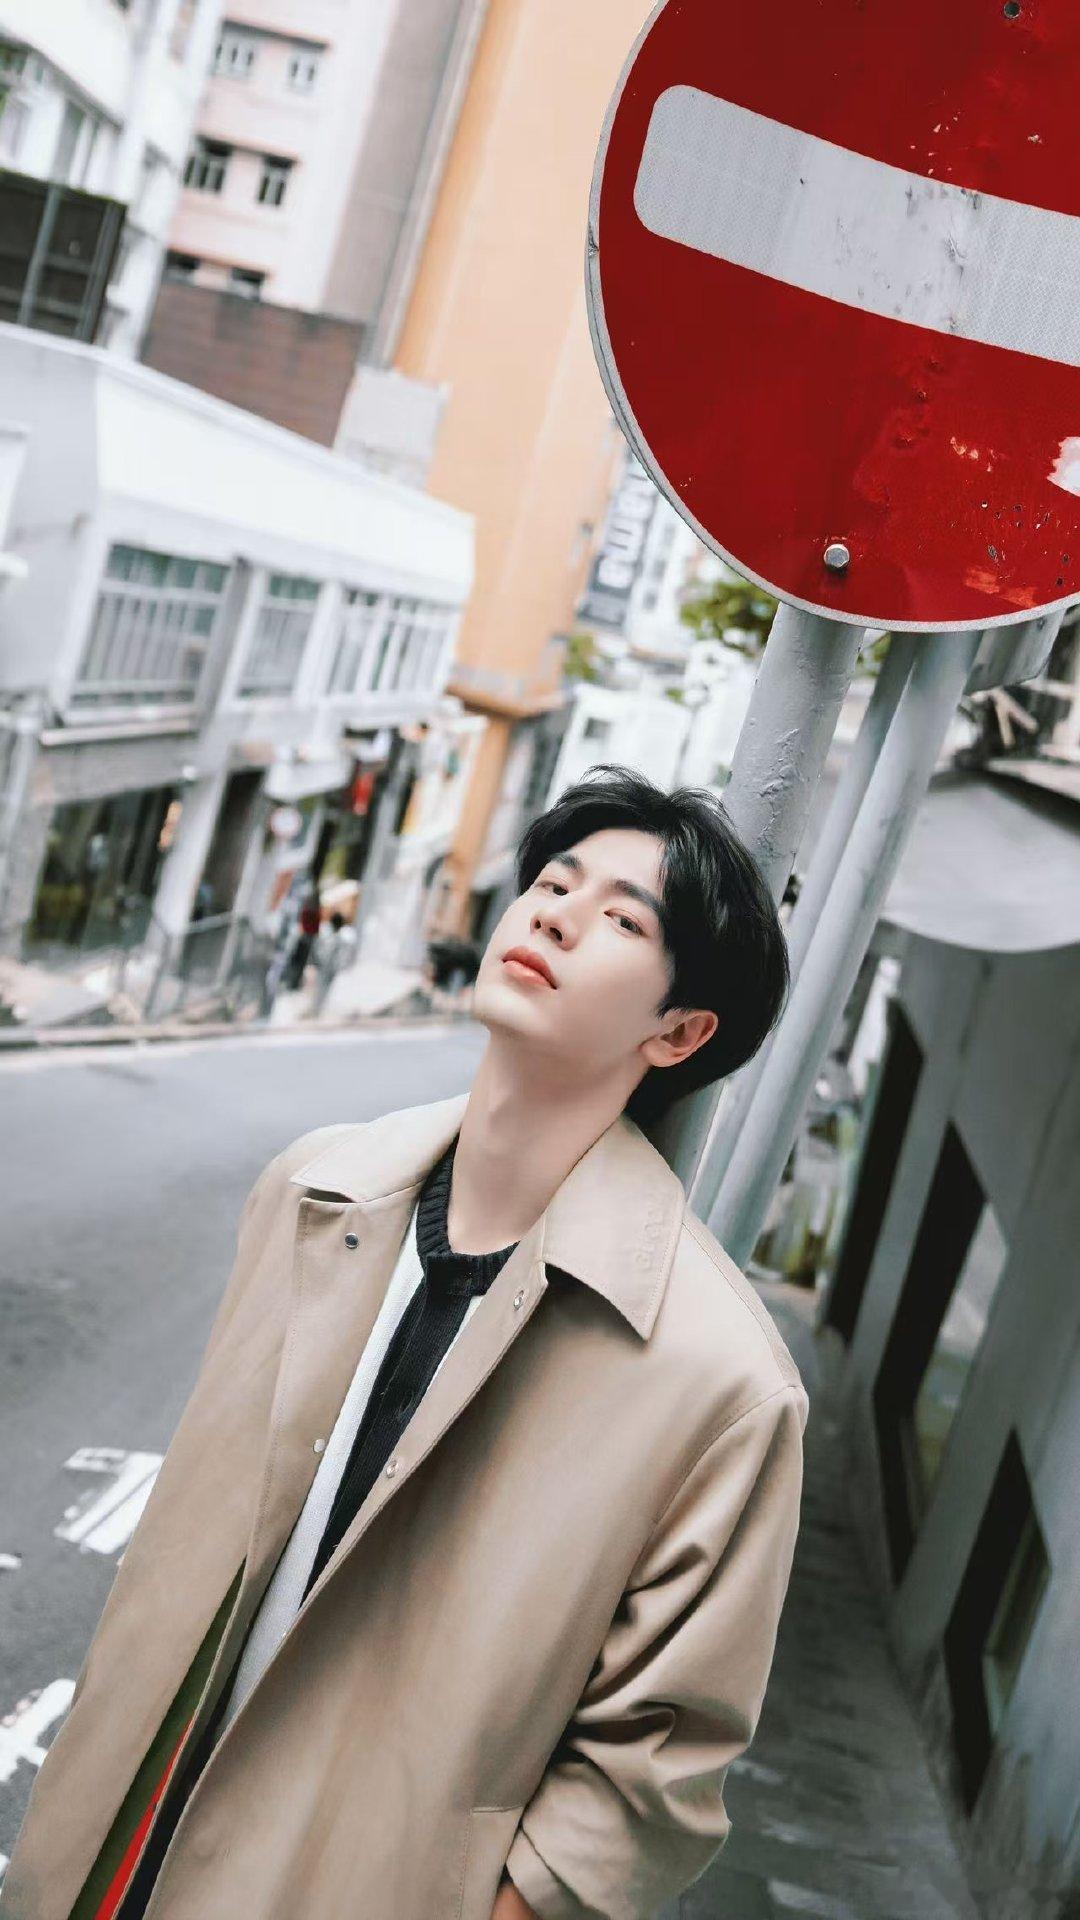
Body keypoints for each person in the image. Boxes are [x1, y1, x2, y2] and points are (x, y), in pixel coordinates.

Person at [3, 765, 807, 1920]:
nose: (555, 915)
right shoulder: (313, 1189)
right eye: (554, 883)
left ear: (679, 1032)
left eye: (623, 919)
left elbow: (651, 1775)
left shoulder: (720, 1381)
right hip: (122, 1849)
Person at [309, 909, 358, 1016]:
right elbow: (318, 947)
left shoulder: (345, 936)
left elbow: (348, 952)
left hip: (333, 966)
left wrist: (345, 965)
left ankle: (318, 1008)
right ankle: (315, 1007)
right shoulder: (326, 932)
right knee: (319, 986)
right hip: (323, 965)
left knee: (325, 987)